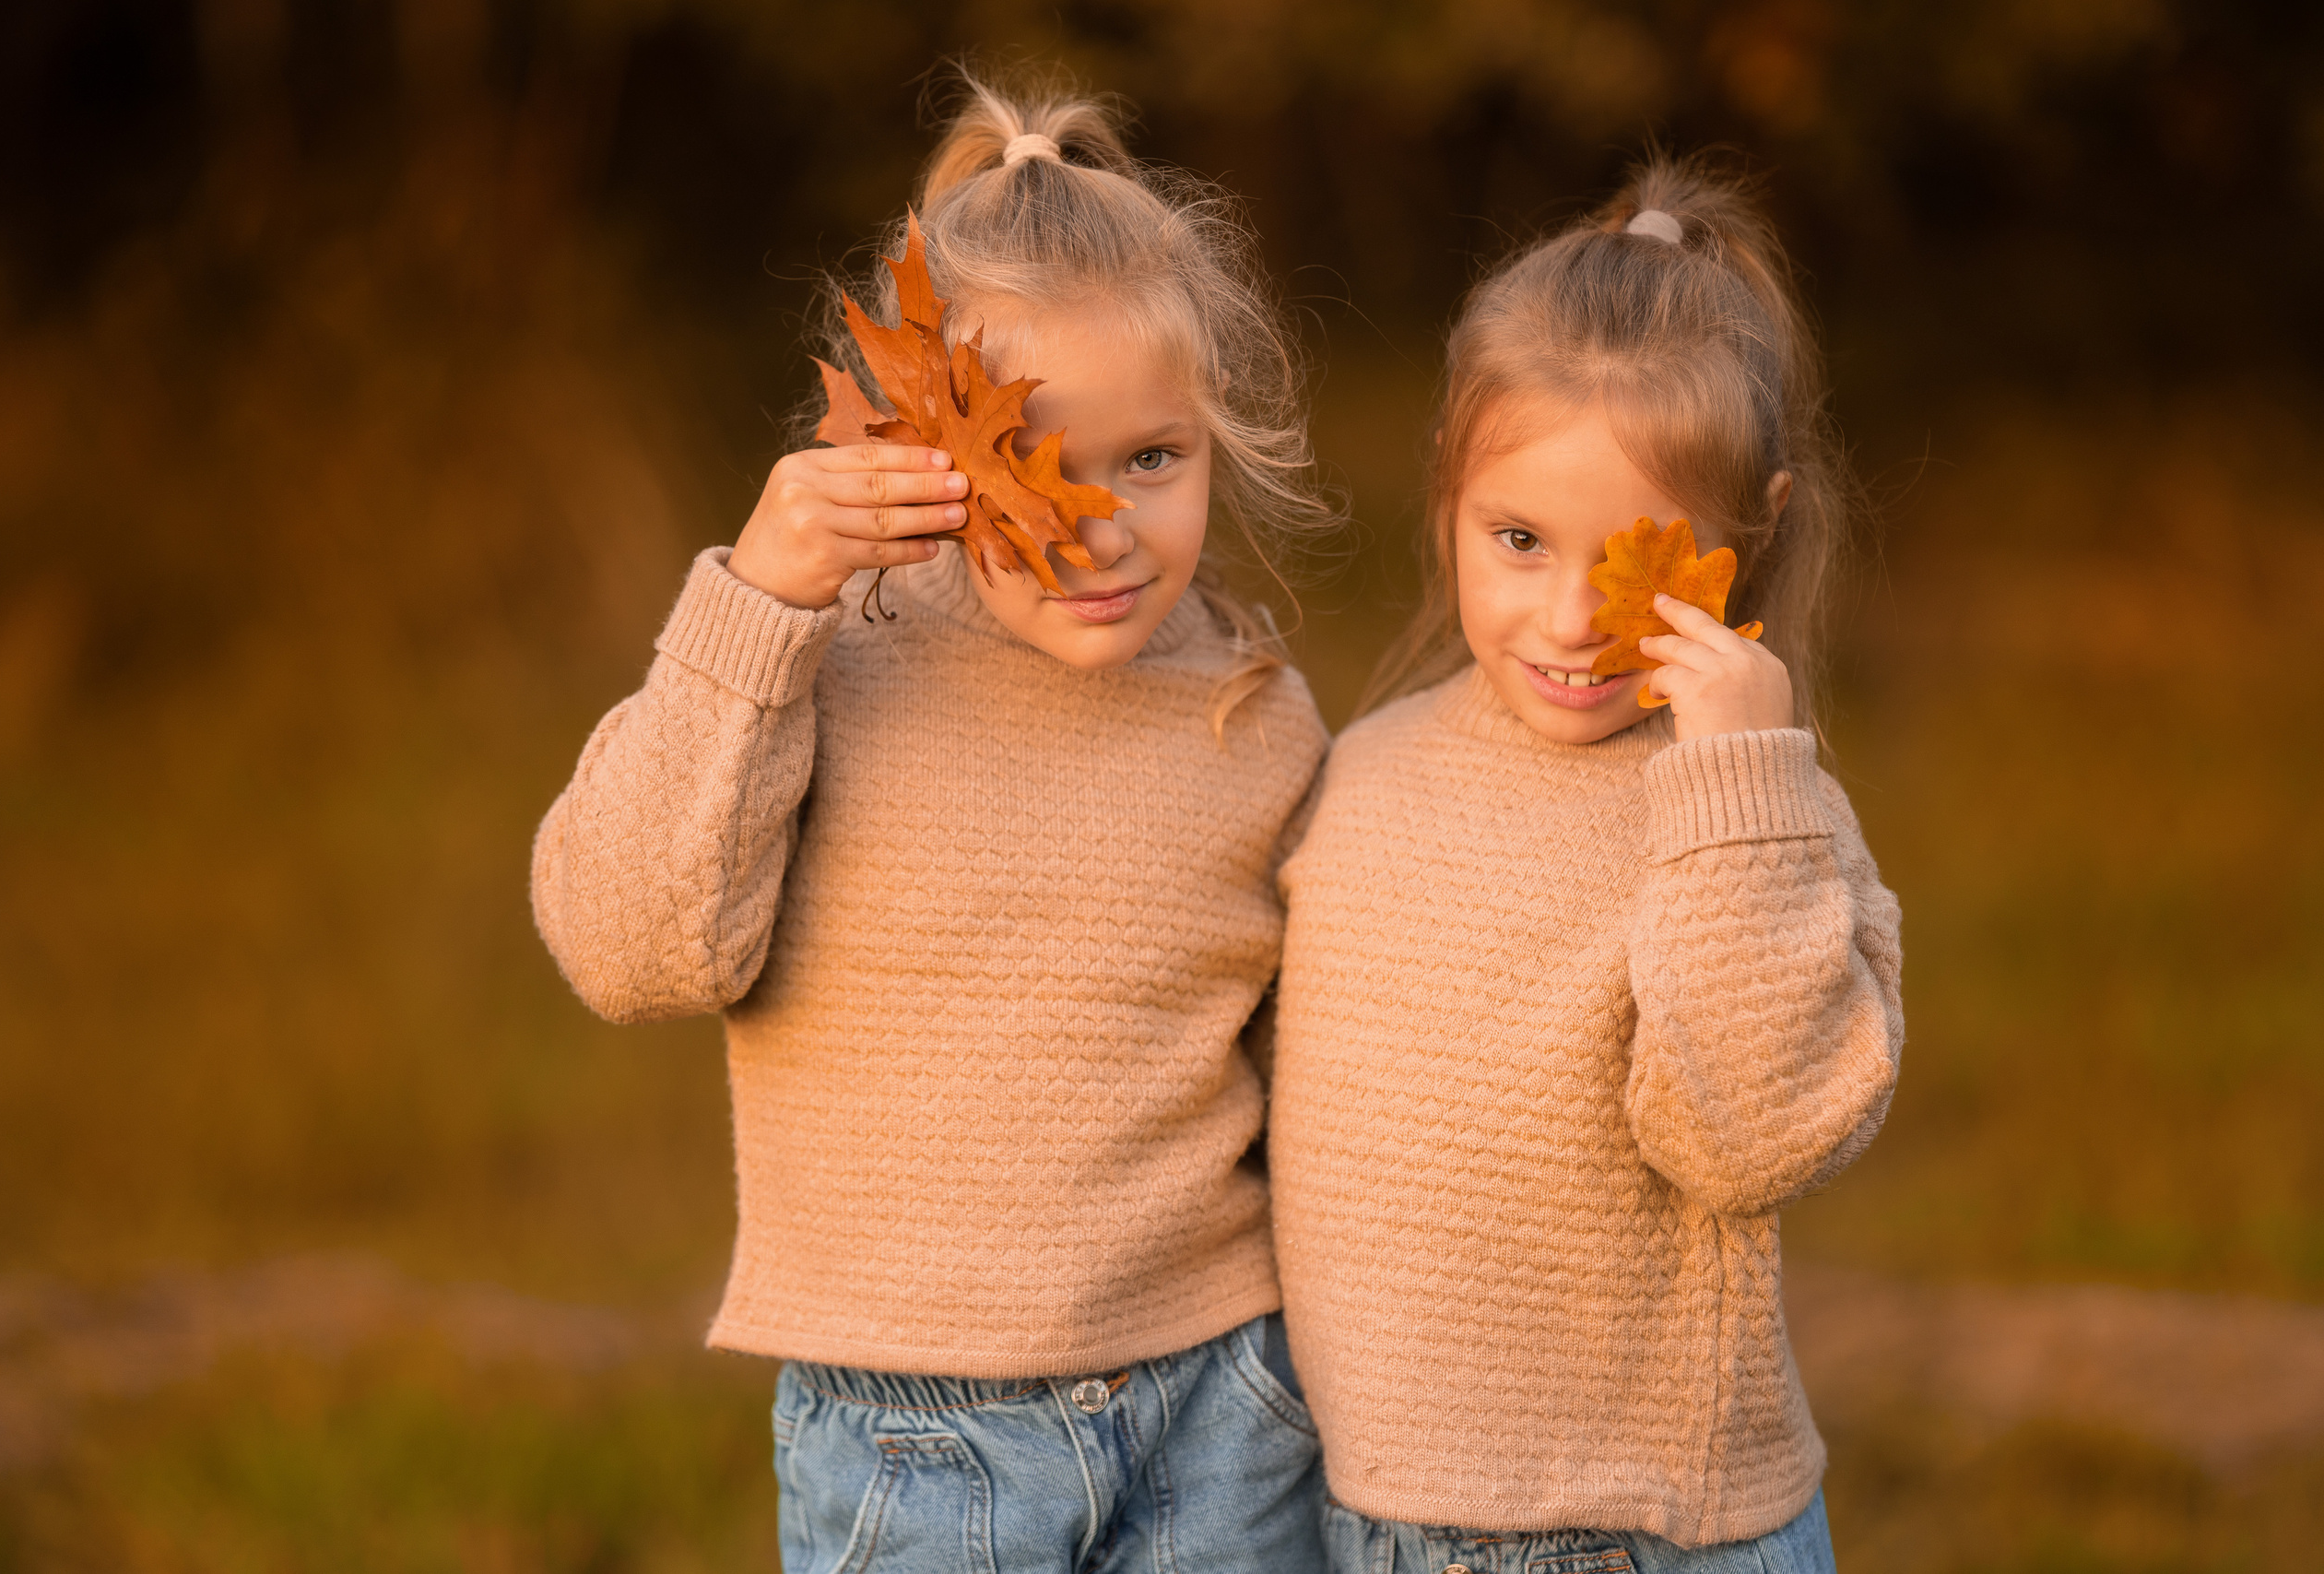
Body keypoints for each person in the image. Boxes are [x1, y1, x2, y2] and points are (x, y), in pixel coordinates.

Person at [530, 73, 1331, 1574]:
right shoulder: (822, 665)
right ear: (920, 440)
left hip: (1223, 1416)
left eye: (1154, 458)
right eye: (1039, 463)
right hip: (917, 1447)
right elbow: (629, 950)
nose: (1103, 527)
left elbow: (1322, 1090)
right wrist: (757, 607)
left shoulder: (1254, 716)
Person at [1270, 155, 1905, 1573]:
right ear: (1449, 491)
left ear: (1754, 533)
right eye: (1518, 540)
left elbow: (1754, 1142)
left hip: (1646, 1532)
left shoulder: (1758, 815)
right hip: (1368, 1519)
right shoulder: (1359, 776)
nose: (1570, 620)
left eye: (1637, 563)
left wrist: (1739, 781)